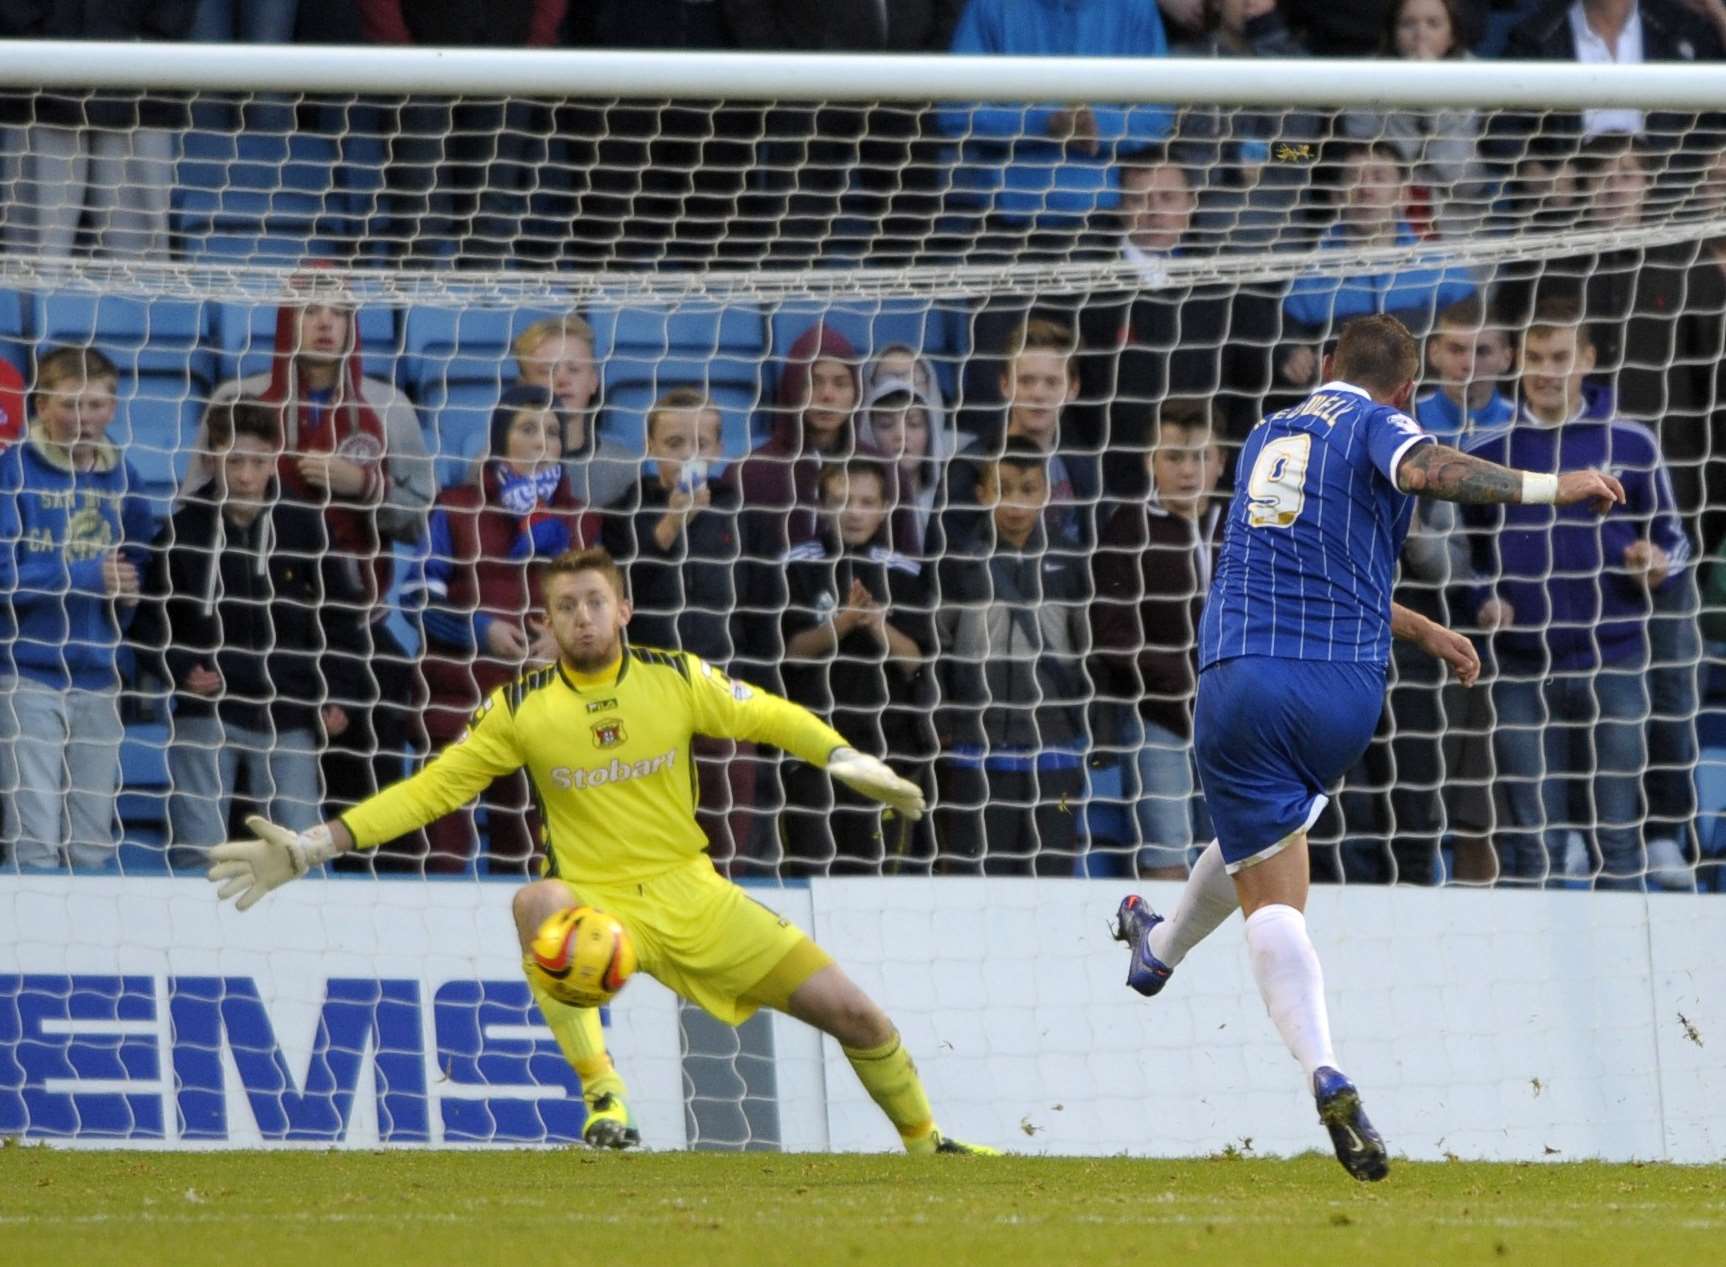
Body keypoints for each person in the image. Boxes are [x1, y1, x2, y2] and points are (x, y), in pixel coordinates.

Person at [207, 546, 996, 1157]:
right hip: (595, 903)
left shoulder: (675, 676)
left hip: (695, 897)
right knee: (534, 901)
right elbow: (433, 789)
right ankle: (604, 1096)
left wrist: (840, 757)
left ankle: (928, 1142)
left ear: (623, 607)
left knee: (858, 1017)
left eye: (593, 601)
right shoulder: (519, 708)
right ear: (545, 623)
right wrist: (316, 844)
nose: (580, 617)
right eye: (563, 607)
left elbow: (772, 717)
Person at [1108, 313, 1626, 1181]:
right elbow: (1431, 469)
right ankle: (1154, 951)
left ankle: (1315, 1060)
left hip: (1232, 677)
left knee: (1265, 859)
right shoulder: (1382, 421)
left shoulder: (1270, 436)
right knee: (1265, 846)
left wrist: (1422, 626)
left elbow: (1303, 565)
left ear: (1322, 365)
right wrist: (1554, 483)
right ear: (1406, 389)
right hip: (1336, 691)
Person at [193, 268, 434, 854]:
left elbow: (420, 512)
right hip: (252, 627)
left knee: (364, 781)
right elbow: (193, 511)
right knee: (250, 803)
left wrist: (366, 485)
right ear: (285, 320)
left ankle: (368, 896)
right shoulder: (238, 400)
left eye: (340, 311)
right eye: (310, 309)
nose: (326, 322)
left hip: (354, 626)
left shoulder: (388, 405)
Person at [1461, 299, 1690, 889]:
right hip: (1520, 665)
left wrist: (1655, 564)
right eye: (1535, 357)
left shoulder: (1633, 443)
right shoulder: (1490, 449)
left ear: (1586, 359)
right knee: (1535, 845)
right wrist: (1485, 596)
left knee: (1616, 836)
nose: (1546, 370)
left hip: (1614, 658)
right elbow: (1470, 553)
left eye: (1560, 356)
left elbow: (1673, 539)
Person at [134, 399, 369, 873]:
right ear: (211, 460)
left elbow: (342, 620)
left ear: (273, 461)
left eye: (257, 462)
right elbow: (150, 623)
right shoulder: (182, 531)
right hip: (209, 707)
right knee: (197, 848)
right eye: (233, 460)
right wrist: (180, 669)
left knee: (303, 845)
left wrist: (338, 693)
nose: (244, 475)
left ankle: (309, 937)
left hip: (290, 709)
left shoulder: (304, 526)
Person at [404, 385, 588, 871]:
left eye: (552, 431)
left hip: (543, 705)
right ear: (501, 439)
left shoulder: (580, 519)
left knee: (529, 852)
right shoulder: (457, 505)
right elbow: (415, 597)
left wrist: (562, 640)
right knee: (443, 848)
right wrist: (479, 630)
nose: (541, 440)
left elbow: (605, 611)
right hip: (457, 698)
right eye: (527, 428)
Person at [0, 347, 155, 872]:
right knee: (34, 832)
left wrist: (128, 595)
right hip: (28, 673)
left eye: (95, 405)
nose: (83, 419)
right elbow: (3, 577)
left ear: (112, 408)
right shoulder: (12, 473)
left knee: (92, 836)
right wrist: (88, 577)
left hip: (98, 673)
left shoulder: (125, 478)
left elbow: (138, 562)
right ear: (41, 405)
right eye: (70, 405)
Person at [597, 388, 753, 866]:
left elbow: (759, 603)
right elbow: (616, 595)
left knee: (729, 795)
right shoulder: (626, 509)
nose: (689, 455)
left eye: (701, 443)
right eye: (675, 442)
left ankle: (727, 886)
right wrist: (668, 526)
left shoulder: (740, 511)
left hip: (721, 683)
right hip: (646, 687)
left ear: (720, 450)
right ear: (650, 447)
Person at [935, 439, 1093, 875]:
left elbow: (1087, 648)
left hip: (1054, 744)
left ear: (1045, 494)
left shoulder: (1070, 559)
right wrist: (945, 719)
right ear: (982, 495)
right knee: (979, 872)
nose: (1016, 503)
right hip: (977, 743)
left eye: (1027, 489)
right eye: (1003, 488)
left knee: (1052, 871)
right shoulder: (960, 561)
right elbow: (939, 645)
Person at [781, 458, 937, 874]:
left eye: (866, 501)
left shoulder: (905, 571)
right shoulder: (795, 565)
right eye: (842, 500)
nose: (854, 511)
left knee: (880, 876)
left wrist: (877, 626)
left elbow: (915, 662)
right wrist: (843, 621)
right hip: (814, 750)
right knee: (815, 870)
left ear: (885, 507)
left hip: (887, 749)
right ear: (822, 505)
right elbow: (792, 652)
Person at [1089, 399, 1223, 879]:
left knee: (1233, 857)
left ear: (1221, 462)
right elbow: (1112, 634)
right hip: (1159, 717)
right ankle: (1164, 952)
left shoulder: (1243, 526)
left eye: (1200, 457)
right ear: (1151, 461)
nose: (1188, 470)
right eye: (1173, 457)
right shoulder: (1128, 527)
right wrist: (1185, 681)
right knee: (1167, 854)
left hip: (1236, 720)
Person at [940, 317, 1100, 550]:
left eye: (1052, 382)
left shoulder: (1086, 469)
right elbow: (949, 565)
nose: (1038, 394)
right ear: (1005, 385)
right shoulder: (969, 468)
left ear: (1073, 389)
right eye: (1026, 381)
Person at [510, 314, 637, 511]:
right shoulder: (495, 463)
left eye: (574, 369)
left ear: (594, 381)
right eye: (546, 371)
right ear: (523, 385)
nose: (562, 380)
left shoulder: (623, 466)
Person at [1416, 294, 1515, 439]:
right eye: (1456, 350)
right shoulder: (1406, 421)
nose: (1469, 365)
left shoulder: (1522, 423)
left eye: (1482, 352)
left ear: (1506, 359)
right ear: (1434, 353)